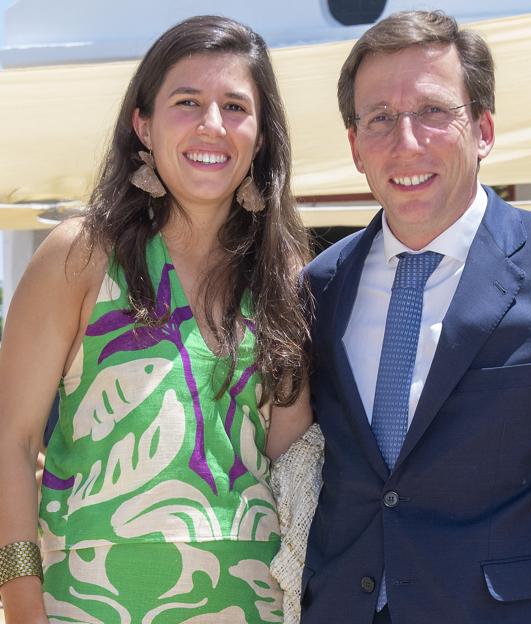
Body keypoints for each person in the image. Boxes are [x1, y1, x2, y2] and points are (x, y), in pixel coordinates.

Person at [302, 9, 531, 624]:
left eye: (432, 112)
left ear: (483, 129)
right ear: (354, 147)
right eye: (380, 119)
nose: (407, 142)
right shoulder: (320, 286)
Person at [0, 15, 312, 623]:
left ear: (262, 137)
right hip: (88, 604)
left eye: (235, 106)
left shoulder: (286, 274)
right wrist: (21, 601)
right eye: (187, 101)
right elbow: (9, 441)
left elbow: (293, 455)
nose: (212, 125)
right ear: (143, 124)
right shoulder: (79, 254)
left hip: (250, 605)